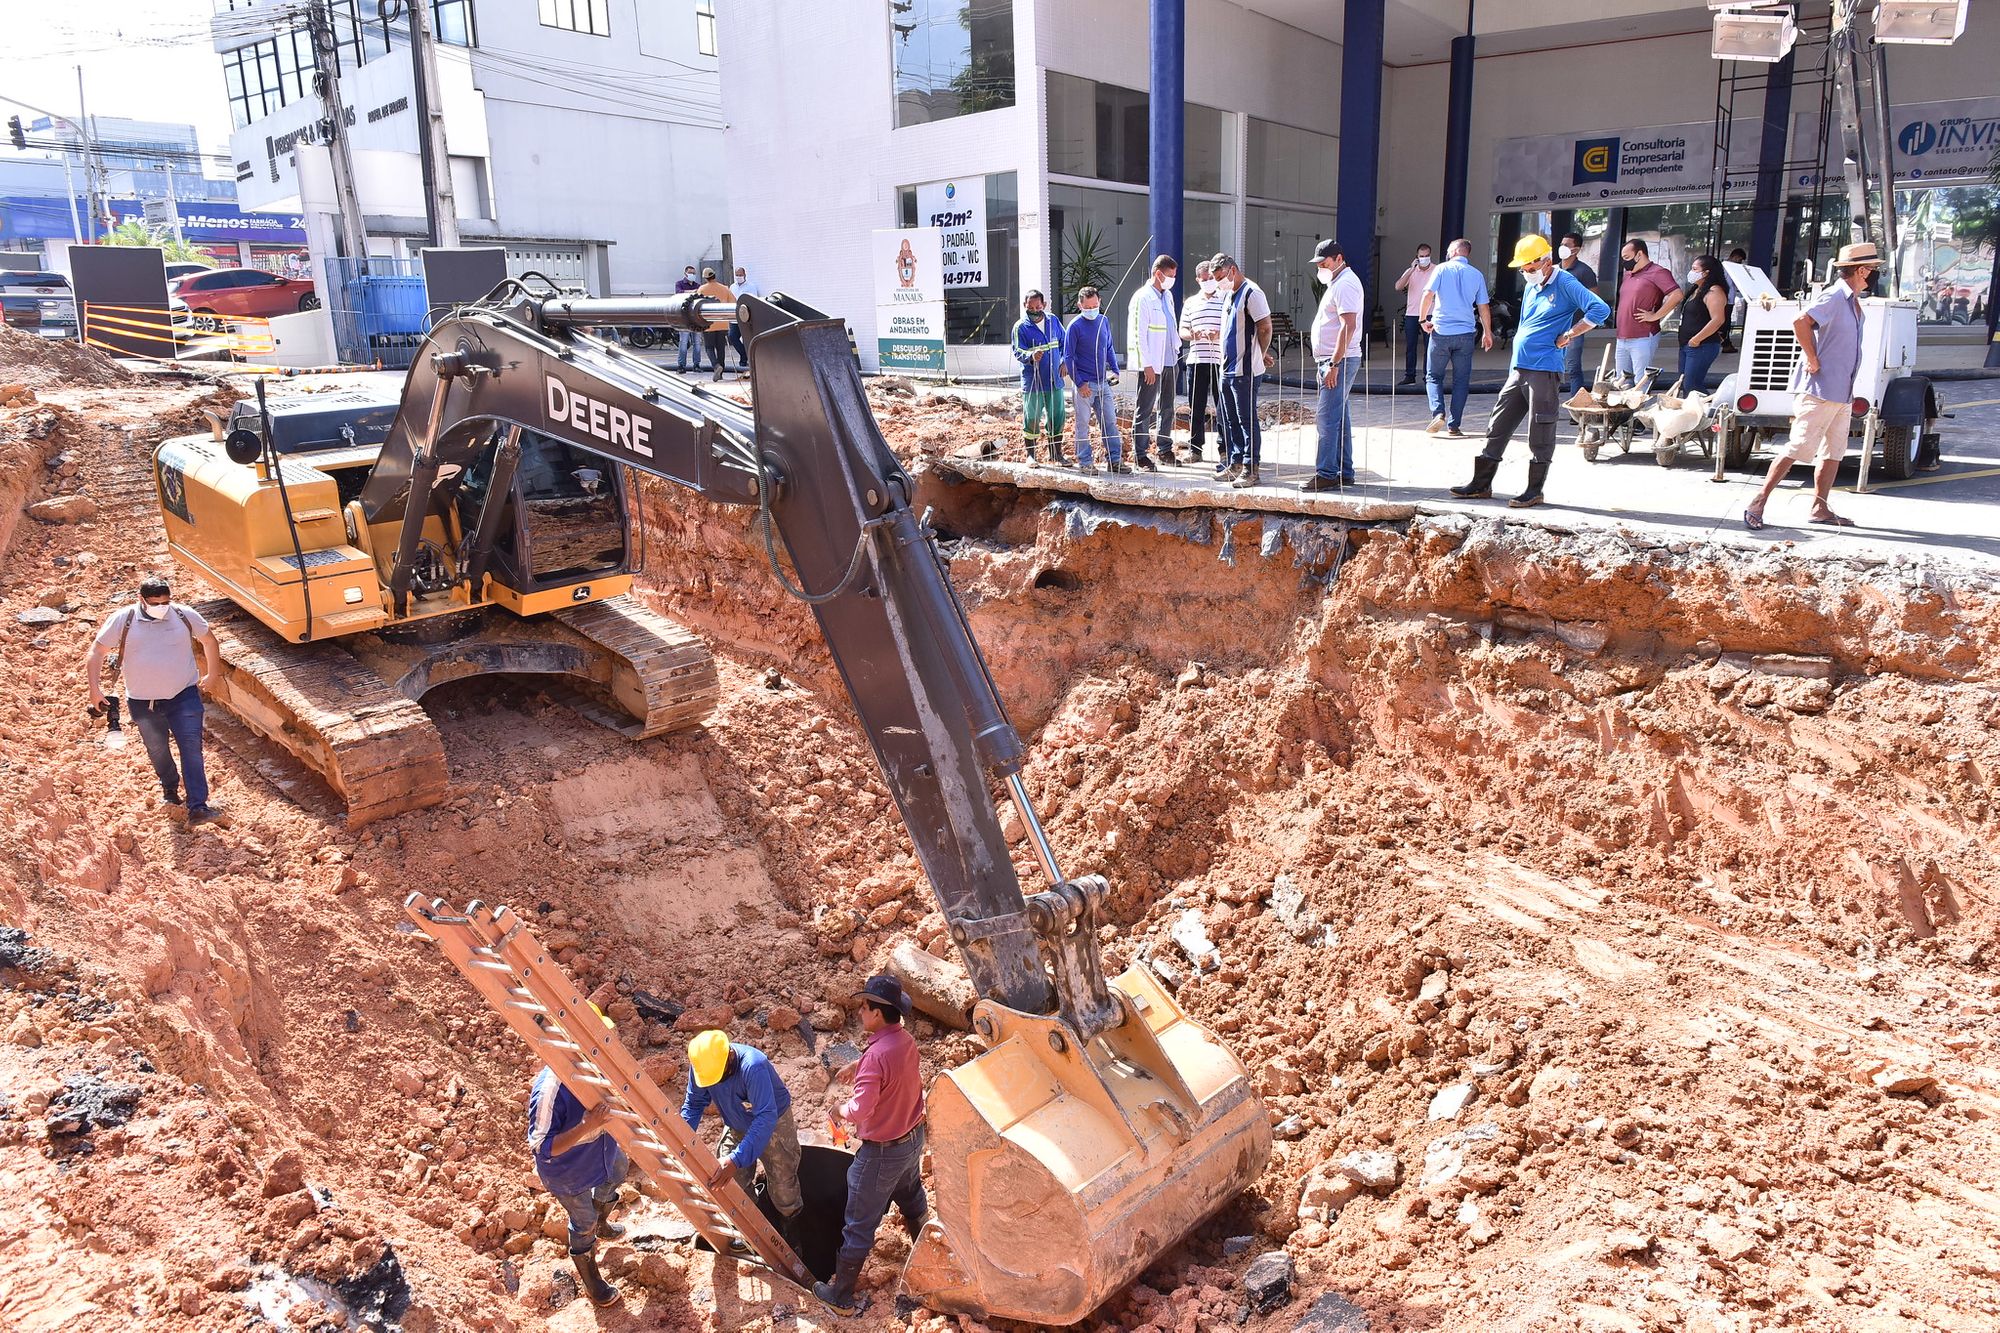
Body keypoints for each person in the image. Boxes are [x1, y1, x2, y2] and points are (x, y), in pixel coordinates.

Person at [1450, 234, 1608, 509]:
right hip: (1520, 368)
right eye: (1523, 269)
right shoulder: (1534, 287)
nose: (1526, 273)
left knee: (1540, 429)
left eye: (1530, 268)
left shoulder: (1566, 282)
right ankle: (1481, 484)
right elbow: (1524, 324)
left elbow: (1599, 309)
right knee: (1498, 424)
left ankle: (1534, 490)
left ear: (1546, 262)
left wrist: (1570, 334)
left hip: (1544, 368)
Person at [1742, 242, 1878, 531]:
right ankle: (1758, 501)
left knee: (1834, 451)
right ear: (1861, 269)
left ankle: (1820, 508)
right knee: (1798, 446)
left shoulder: (1851, 300)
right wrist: (1812, 358)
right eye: (1871, 270)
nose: (1873, 275)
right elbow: (1800, 321)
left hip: (1841, 390)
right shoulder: (1834, 297)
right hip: (1821, 390)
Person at [814, 975, 927, 1318]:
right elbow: (889, 1066)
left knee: (859, 1222)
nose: (860, 1012)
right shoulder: (904, 1040)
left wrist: (839, 1110)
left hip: (882, 1152)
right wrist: (860, 1064)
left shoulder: (877, 1056)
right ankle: (926, 1252)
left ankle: (840, 1294)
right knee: (911, 1194)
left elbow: (860, 1109)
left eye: (864, 1007)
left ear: (878, 1014)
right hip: (912, 1138)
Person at [87, 576, 224, 824]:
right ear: (141, 600)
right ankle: (170, 788)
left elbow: (209, 640)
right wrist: (94, 690)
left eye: (166, 601)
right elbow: (97, 651)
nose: (162, 606)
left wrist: (212, 673)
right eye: (155, 602)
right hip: (142, 700)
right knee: (158, 749)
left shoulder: (183, 615)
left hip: (183, 695)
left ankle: (198, 806)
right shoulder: (124, 619)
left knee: (191, 747)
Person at [527, 1023, 629, 1308]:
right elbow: (542, 1146)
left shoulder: (601, 1066)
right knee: (583, 1222)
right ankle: (592, 1281)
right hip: (567, 1169)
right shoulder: (551, 1088)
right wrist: (586, 1126)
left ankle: (603, 1223)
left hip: (600, 1149)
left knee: (619, 1170)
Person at [680, 1029, 804, 1244]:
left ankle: (791, 1230)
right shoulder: (703, 1066)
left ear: (729, 1055)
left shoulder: (753, 1066)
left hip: (774, 1122)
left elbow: (765, 1117)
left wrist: (736, 1159)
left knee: (783, 1184)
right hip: (737, 1123)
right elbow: (694, 1104)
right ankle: (751, 1228)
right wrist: (680, 1137)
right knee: (730, 1182)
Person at [1302, 240, 1364, 491]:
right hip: (1336, 358)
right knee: (1340, 415)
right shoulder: (1337, 282)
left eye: (1324, 263)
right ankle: (1344, 470)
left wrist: (1334, 363)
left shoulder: (1345, 284)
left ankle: (1327, 472)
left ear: (1338, 258)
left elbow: (1347, 325)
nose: (1320, 268)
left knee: (1327, 417)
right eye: (1318, 264)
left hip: (1338, 359)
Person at [1420, 238, 1494, 438]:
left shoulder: (1442, 269)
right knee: (1461, 380)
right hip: (1466, 334)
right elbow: (1483, 307)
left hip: (1441, 332)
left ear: (1453, 251)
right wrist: (1487, 332)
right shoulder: (1477, 274)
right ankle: (1454, 425)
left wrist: (1422, 320)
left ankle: (1438, 413)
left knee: (1434, 376)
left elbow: (1428, 295)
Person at [1209, 253, 1272, 488]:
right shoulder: (1229, 294)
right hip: (1226, 367)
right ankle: (1234, 463)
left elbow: (1264, 327)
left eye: (1220, 277)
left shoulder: (1251, 292)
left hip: (1244, 370)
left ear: (1232, 270)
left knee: (1246, 420)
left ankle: (1250, 467)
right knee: (1229, 419)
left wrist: (1259, 353)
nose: (1218, 283)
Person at [1127, 256, 1179, 469]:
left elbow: (1171, 325)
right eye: (1170, 276)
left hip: (1169, 360)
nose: (1172, 280)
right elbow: (1137, 333)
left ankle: (1164, 448)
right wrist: (1146, 364)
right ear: (1158, 274)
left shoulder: (1167, 297)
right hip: (1152, 364)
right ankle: (1140, 454)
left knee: (1167, 407)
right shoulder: (1142, 297)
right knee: (1145, 408)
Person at [1065, 286, 1123, 474]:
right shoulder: (1074, 326)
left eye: (1095, 305)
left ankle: (1115, 460)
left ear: (1099, 303)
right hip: (1085, 385)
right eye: (1087, 307)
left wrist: (1115, 369)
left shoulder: (1103, 321)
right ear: (1079, 305)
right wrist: (1080, 383)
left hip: (1103, 383)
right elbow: (1069, 358)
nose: (1091, 310)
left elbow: (1109, 348)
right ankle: (1085, 461)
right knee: (1083, 423)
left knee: (1110, 422)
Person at [1011, 289, 1070, 464]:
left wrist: (1065, 362)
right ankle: (1031, 455)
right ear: (1024, 306)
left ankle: (1056, 454)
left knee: (1057, 416)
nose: (1035, 311)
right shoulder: (1020, 327)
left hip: (1054, 378)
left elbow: (1065, 343)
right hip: (1033, 381)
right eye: (1030, 307)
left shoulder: (1053, 321)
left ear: (1044, 305)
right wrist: (1030, 356)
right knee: (1032, 417)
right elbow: (1017, 349)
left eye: (1038, 307)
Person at [1613, 238, 1682, 385]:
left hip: (1643, 335)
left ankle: (1640, 409)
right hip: (1622, 336)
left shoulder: (1658, 272)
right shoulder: (1628, 274)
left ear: (1639, 254)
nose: (1624, 262)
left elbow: (1677, 295)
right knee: (1621, 382)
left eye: (1627, 257)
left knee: (1641, 383)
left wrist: (1656, 316)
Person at [1179, 261, 1225, 462]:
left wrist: (1218, 334)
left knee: (1222, 406)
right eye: (1204, 280)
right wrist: (1193, 334)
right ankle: (1196, 449)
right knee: (1196, 407)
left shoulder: (1225, 299)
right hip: (1197, 360)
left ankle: (1225, 449)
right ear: (1198, 280)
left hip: (1219, 360)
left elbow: (1232, 328)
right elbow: (1182, 331)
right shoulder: (1190, 303)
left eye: (1211, 279)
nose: (1208, 283)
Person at [1676, 255, 1730, 394]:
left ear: (1706, 272)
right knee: (1685, 384)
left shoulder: (1714, 291)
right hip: (1687, 345)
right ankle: (1691, 413)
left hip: (1701, 345)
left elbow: (1718, 319)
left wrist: (1696, 339)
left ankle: (1708, 411)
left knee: (1692, 385)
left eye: (1695, 269)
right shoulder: (1697, 289)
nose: (1691, 272)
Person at [1556, 233, 1599, 393]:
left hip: (1573, 328)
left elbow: (1594, 301)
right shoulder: (1554, 270)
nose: (1562, 247)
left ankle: (1577, 405)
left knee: (1573, 368)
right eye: (1562, 243)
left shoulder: (1584, 272)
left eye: (1567, 244)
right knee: (1550, 369)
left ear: (1576, 249)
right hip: (1553, 326)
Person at [1392, 244, 1436, 386]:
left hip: (1430, 314)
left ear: (1430, 256)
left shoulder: (1436, 270)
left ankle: (1428, 375)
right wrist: (1411, 269)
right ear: (1417, 257)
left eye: (1426, 256)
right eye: (1421, 256)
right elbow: (1398, 286)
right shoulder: (1411, 271)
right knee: (1411, 346)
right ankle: (1409, 375)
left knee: (1430, 346)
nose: (1424, 259)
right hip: (1412, 314)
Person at [697, 267, 735, 381]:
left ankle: (716, 366)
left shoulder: (701, 289)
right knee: (720, 348)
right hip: (722, 323)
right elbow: (733, 302)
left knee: (709, 348)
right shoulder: (724, 288)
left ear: (705, 278)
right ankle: (721, 373)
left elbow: (696, 304)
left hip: (708, 323)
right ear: (715, 275)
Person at [674, 264, 706, 373]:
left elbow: (701, 294)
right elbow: (679, 293)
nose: (692, 275)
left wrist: (695, 292)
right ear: (685, 274)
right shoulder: (680, 284)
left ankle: (696, 365)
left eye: (693, 273)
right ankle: (681, 366)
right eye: (690, 273)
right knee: (683, 343)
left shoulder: (698, 285)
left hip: (696, 318)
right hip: (684, 318)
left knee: (697, 343)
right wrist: (693, 292)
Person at [728, 265, 758, 369]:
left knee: (746, 339)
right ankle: (744, 354)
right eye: (737, 275)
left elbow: (754, 301)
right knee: (732, 337)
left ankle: (745, 359)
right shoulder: (732, 287)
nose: (738, 277)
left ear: (745, 275)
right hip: (734, 317)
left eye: (740, 275)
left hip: (746, 317)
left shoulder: (751, 286)